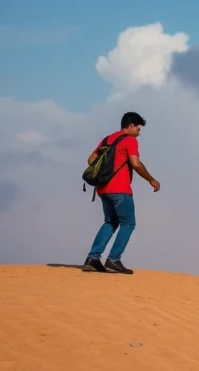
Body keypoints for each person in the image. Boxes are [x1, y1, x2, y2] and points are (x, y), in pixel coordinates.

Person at [82, 112, 160, 274]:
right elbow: (136, 163)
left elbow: (91, 159)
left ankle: (93, 258)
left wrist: (104, 171)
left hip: (103, 189)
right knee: (128, 223)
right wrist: (151, 179)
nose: (139, 133)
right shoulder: (129, 140)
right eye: (138, 128)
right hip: (120, 189)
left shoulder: (107, 139)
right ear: (131, 126)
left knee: (110, 222)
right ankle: (114, 259)